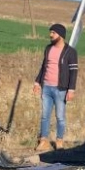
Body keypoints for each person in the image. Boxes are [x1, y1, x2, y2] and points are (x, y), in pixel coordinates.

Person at [32, 23, 78, 151]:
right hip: (46, 87)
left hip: (61, 89)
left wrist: (71, 89)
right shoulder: (48, 49)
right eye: (50, 32)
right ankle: (44, 141)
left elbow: (74, 72)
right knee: (45, 116)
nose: (50, 35)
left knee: (60, 117)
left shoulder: (71, 52)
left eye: (53, 33)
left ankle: (59, 141)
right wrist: (37, 82)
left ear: (61, 35)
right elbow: (43, 66)